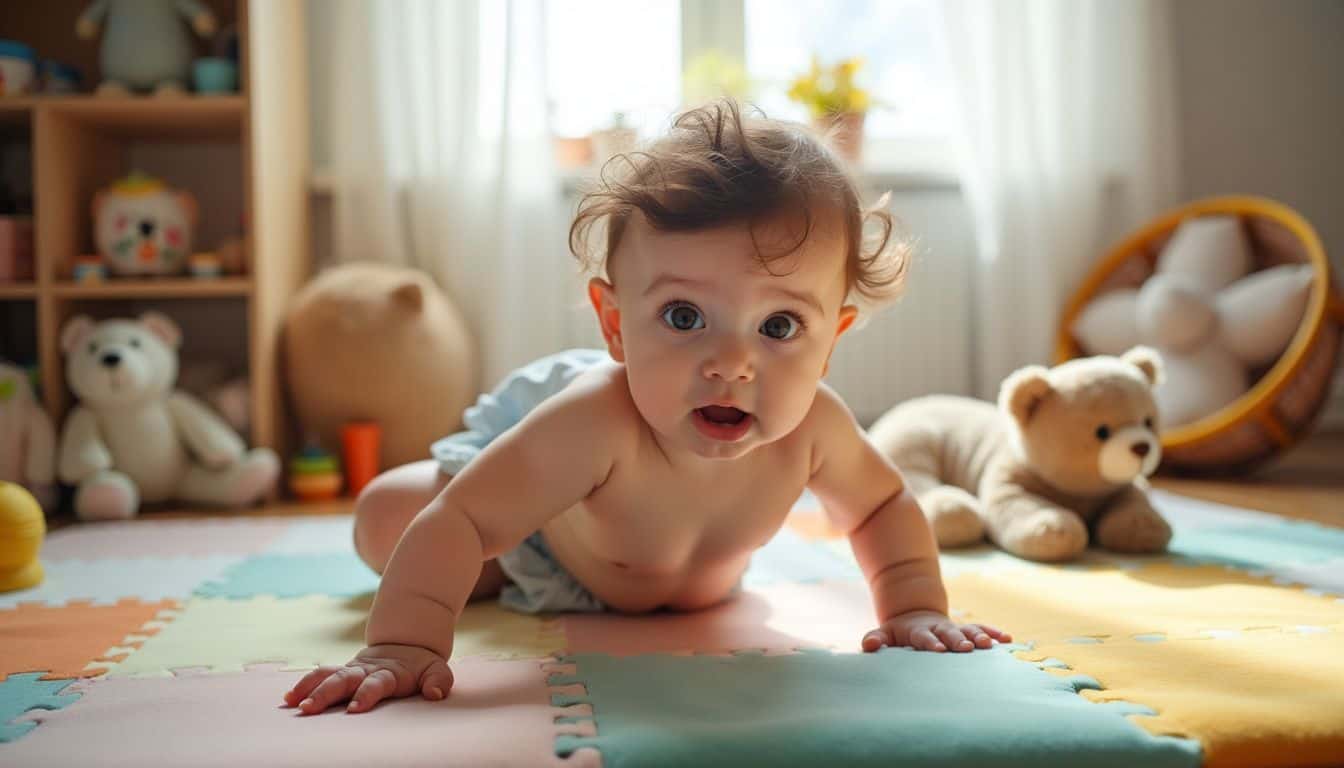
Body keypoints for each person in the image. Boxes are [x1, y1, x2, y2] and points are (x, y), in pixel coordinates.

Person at [283, 100, 1010, 716]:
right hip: (548, 540)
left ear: (831, 341)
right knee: (390, 514)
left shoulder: (815, 426)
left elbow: (881, 506)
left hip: (678, 581)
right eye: (685, 316)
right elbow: (464, 518)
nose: (731, 362)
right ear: (614, 323)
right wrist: (405, 644)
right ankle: (493, 572)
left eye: (779, 326)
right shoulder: (596, 423)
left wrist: (914, 606)